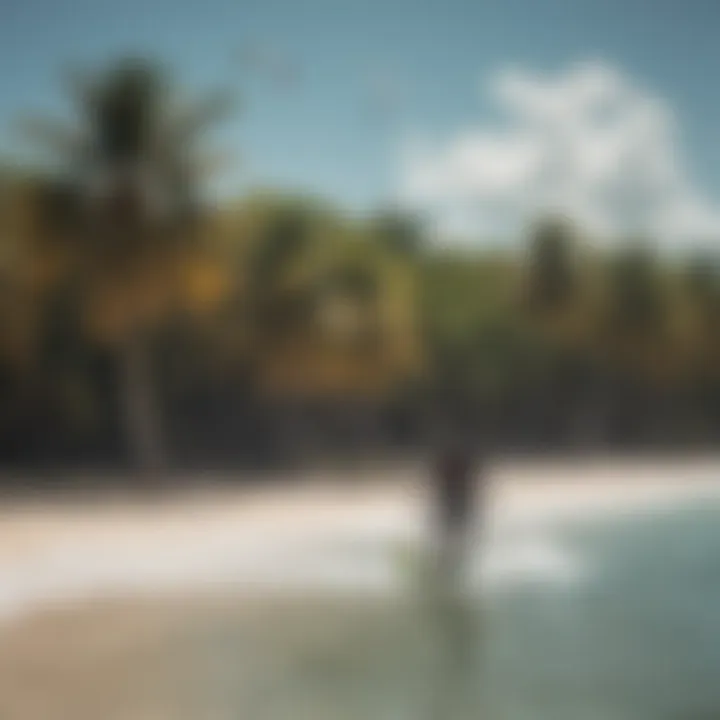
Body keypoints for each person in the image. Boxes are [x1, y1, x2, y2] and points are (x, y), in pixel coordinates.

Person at [431, 432, 480, 584]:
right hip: (456, 502)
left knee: (451, 536)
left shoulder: (453, 464)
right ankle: (451, 568)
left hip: (454, 502)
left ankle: (448, 569)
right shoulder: (460, 464)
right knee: (454, 535)